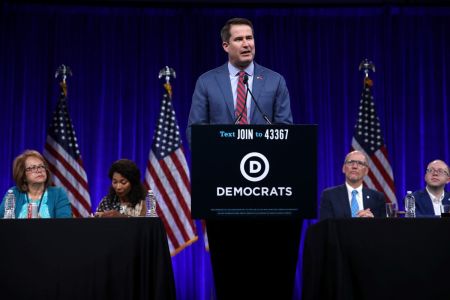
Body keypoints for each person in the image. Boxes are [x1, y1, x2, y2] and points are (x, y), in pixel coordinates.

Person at [187, 17, 292, 143]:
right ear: (226, 46)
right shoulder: (206, 82)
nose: (246, 44)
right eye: (238, 39)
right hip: (221, 159)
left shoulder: (275, 81)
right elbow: (195, 131)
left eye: (249, 38)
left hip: (261, 159)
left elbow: (285, 129)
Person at [0, 149, 72, 218]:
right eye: (32, 168)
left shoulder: (58, 193)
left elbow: (64, 224)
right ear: (23, 176)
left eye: (41, 166)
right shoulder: (13, 193)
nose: (39, 171)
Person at [319, 150, 386, 220]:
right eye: (351, 162)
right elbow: (326, 227)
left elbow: (383, 228)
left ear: (366, 171)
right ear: (344, 168)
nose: (354, 166)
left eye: (360, 163)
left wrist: (372, 222)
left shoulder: (377, 197)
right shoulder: (330, 195)